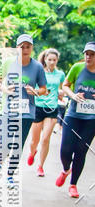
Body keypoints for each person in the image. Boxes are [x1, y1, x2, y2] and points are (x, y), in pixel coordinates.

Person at [0, 34, 47, 183]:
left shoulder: (37, 67)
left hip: (27, 112)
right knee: (5, 141)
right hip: (8, 109)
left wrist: (35, 91)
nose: (25, 49)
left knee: (18, 143)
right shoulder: (8, 62)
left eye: (28, 46)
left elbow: (44, 89)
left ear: (32, 48)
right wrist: (4, 88)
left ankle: (10, 174)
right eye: (21, 46)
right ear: (17, 48)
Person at [56, 42, 95, 198]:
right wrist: (72, 96)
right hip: (73, 114)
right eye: (86, 53)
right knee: (66, 150)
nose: (88, 57)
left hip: (91, 119)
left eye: (92, 54)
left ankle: (73, 184)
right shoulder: (77, 68)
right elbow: (65, 85)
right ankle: (66, 169)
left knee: (80, 151)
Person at [27, 48, 65, 177]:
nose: (52, 62)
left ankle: (40, 166)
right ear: (45, 59)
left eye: (54, 60)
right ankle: (32, 153)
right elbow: (34, 87)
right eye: (49, 59)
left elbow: (62, 89)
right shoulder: (39, 72)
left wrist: (60, 93)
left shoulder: (60, 74)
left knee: (45, 139)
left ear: (57, 60)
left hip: (52, 108)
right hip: (38, 107)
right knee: (34, 140)